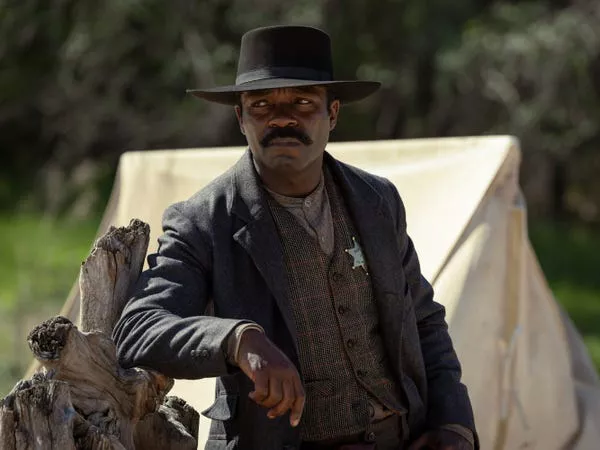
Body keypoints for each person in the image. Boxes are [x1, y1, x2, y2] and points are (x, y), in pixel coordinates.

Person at [112, 25, 477, 450]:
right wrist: (237, 339)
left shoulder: (378, 201)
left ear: (333, 114)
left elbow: (423, 321)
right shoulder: (204, 221)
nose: (282, 118)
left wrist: (454, 426)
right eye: (262, 104)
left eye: (303, 102)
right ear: (241, 118)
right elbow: (138, 330)